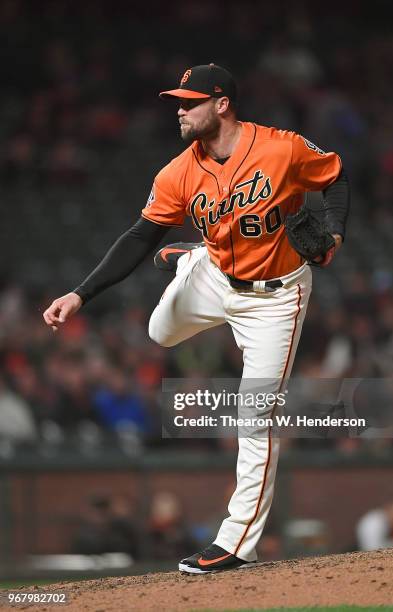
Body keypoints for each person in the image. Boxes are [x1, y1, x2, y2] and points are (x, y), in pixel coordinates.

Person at [43, 63, 350, 574]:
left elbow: (337, 176)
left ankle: (236, 544)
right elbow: (140, 237)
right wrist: (81, 294)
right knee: (157, 332)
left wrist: (334, 234)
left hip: (275, 298)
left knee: (255, 419)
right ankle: (194, 257)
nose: (180, 111)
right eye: (178, 103)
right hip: (216, 274)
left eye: (190, 102)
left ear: (222, 103)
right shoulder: (178, 171)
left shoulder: (281, 148)